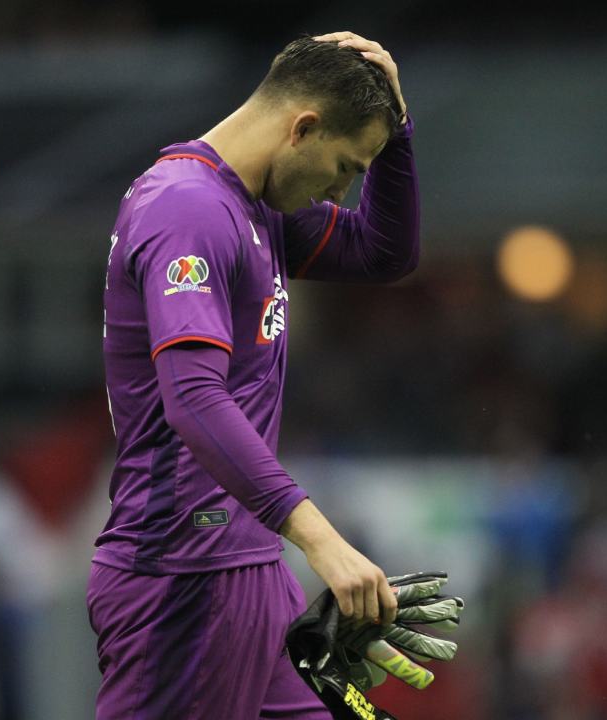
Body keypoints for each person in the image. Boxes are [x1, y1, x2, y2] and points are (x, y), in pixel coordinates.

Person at [89, 31, 420, 719]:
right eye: (344, 166)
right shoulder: (188, 209)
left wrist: (399, 126)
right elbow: (193, 399)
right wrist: (324, 543)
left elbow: (384, 252)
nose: (341, 189)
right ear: (302, 128)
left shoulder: (251, 206)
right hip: (183, 573)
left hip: (245, 564)